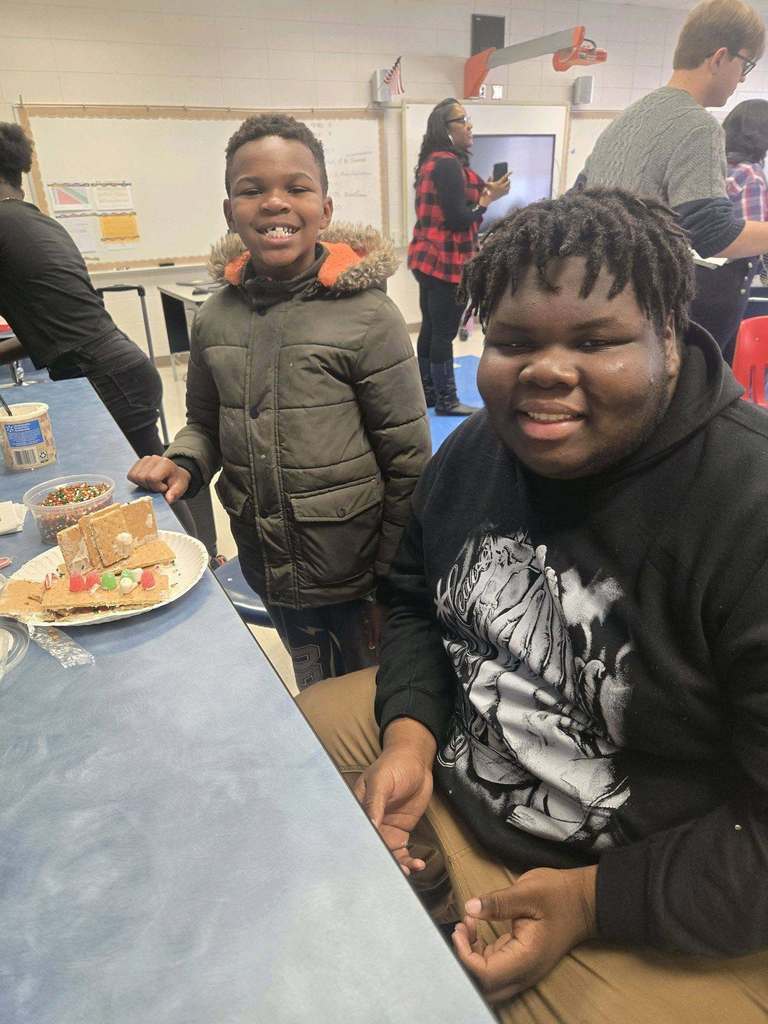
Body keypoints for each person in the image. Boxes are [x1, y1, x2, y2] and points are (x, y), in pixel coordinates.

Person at [298, 189, 768, 1023]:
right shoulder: (484, 443)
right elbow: (411, 599)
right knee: (295, 745)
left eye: (596, 340)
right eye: (513, 341)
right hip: (466, 773)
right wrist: (408, 731)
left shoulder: (748, 508)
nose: (545, 370)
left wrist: (594, 902)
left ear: (668, 332)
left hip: (643, 884)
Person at [128, 114, 430, 689]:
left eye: (296, 187)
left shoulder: (369, 318)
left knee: (368, 698)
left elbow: (410, 463)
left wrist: (393, 581)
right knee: (311, 682)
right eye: (252, 189)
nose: (274, 203)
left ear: (326, 207)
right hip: (267, 556)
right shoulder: (215, 316)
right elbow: (206, 423)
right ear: (228, 211)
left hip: (357, 571)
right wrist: (184, 460)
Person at [578, 0, 768, 358]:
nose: (742, 78)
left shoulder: (626, 119)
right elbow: (713, 234)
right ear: (719, 58)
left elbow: (576, 198)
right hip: (644, 312)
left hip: (601, 304)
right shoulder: (698, 125)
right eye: (745, 65)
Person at [0, 122, 165, 460]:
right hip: (122, 370)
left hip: (106, 378)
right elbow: (60, 330)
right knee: (149, 490)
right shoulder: (37, 222)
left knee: (143, 495)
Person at [408, 98, 509, 415]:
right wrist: (487, 202)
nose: (469, 126)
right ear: (446, 129)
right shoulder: (448, 164)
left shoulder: (433, 162)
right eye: (462, 120)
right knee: (444, 333)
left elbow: (458, 215)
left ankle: (429, 394)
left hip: (426, 258)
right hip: (446, 263)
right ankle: (447, 401)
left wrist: (482, 200)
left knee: (430, 328)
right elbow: (458, 219)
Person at [690, 98, 768, 362]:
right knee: (714, 362)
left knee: (695, 357)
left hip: (697, 275)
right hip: (726, 281)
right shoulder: (751, 173)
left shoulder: (714, 166)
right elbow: (747, 238)